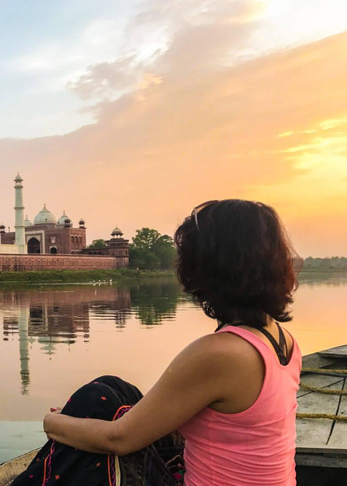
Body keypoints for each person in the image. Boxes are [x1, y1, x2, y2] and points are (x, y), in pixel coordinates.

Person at [39, 200, 301, 485]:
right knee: (112, 392)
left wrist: (53, 423)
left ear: (208, 267)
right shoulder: (282, 341)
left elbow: (119, 439)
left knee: (95, 401)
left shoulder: (219, 354)